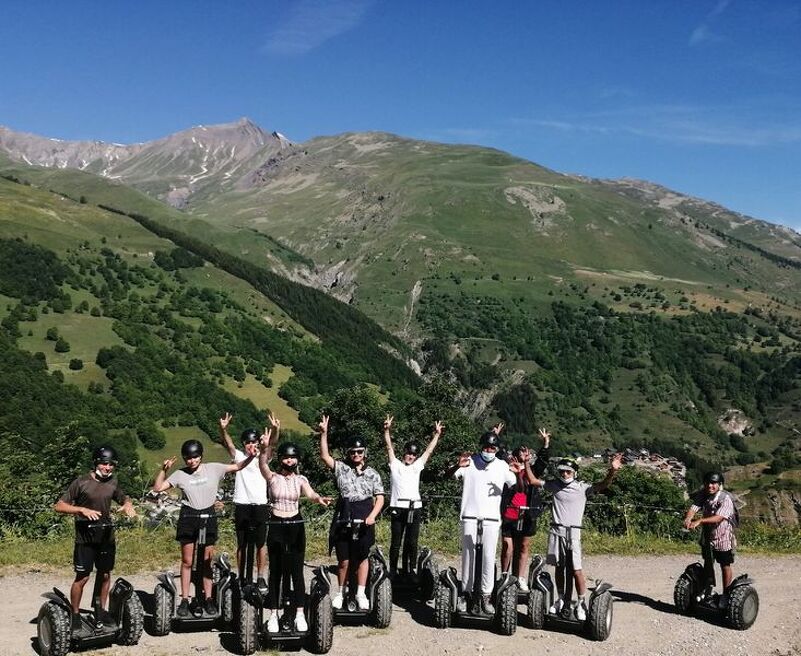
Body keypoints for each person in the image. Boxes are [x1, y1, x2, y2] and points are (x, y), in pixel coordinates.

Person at [524, 429, 623, 620]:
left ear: (575, 473)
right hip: (556, 531)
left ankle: (581, 602)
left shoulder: (582, 488)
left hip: (574, 534)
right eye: (562, 471)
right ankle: (561, 599)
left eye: (568, 471)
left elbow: (602, 485)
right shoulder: (555, 485)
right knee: (559, 567)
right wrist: (527, 462)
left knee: (576, 569)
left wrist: (612, 471)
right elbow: (533, 480)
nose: (565, 474)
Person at [152, 438, 254, 617]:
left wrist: (251, 457)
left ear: (201, 456)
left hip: (208, 515)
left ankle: (208, 599)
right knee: (187, 561)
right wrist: (164, 469)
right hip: (189, 516)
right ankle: (185, 599)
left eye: (195, 457)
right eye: (188, 458)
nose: (192, 461)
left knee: (206, 561)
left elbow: (237, 467)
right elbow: (158, 487)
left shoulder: (213, 468)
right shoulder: (180, 474)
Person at [54, 445, 136, 629]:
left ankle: (100, 610)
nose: (108, 468)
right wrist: (81, 509)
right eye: (104, 464)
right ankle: (75, 614)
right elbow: (59, 506)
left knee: (105, 575)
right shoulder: (81, 482)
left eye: (111, 465)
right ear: (96, 463)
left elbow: (123, 498)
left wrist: (128, 505)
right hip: (85, 538)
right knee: (82, 577)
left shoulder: (113, 482)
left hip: (106, 536)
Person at [259, 432, 332, 632]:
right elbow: (262, 464)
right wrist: (265, 447)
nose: (289, 460)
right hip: (276, 524)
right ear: (281, 459)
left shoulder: (300, 479)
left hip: (295, 524)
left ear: (297, 459)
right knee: (276, 572)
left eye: (292, 457)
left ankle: (300, 614)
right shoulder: (272, 477)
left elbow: (310, 493)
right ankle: (274, 614)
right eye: (285, 457)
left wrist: (319, 499)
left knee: (296, 572)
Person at [318, 414, 385, 611]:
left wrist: (373, 515)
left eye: (359, 451)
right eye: (353, 451)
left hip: (365, 512)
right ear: (348, 453)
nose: (356, 454)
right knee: (344, 559)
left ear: (365, 453)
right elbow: (324, 456)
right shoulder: (342, 468)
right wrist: (324, 434)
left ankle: (361, 593)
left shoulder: (373, 473)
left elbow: (380, 497)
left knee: (362, 557)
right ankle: (341, 591)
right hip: (344, 513)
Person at [449, 423, 517, 614]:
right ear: (481, 447)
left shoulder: (502, 466)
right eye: (486, 447)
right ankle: (466, 593)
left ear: (497, 449)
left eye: (492, 448)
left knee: (488, 557)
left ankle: (486, 596)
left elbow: (516, 487)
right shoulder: (470, 461)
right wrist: (457, 464)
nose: (489, 451)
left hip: (491, 519)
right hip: (469, 516)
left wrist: (519, 474)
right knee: (468, 556)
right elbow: (450, 475)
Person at [219, 411, 276, 590]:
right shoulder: (239, 457)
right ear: (244, 445)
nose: (251, 445)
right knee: (242, 543)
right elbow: (228, 444)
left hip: (260, 504)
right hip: (242, 503)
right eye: (248, 442)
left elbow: (272, 444)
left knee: (261, 543)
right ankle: (242, 574)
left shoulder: (263, 458)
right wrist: (223, 430)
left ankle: (260, 576)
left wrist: (275, 429)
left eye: (254, 442)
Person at [383, 415, 443, 579]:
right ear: (404, 454)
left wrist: (436, 435)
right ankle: (393, 570)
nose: (410, 456)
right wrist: (387, 430)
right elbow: (389, 448)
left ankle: (411, 569)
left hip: (414, 508)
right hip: (398, 508)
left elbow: (429, 451)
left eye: (413, 455)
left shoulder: (417, 466)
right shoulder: (395, 465)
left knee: (411, 542)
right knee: (396, 542)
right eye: (408, 453)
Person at [500, 432, 551, 592]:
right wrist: (497, 437)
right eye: (522, 452)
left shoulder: (532, 470)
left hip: (528, 513)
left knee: (523, 546)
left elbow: (543, 462)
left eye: (527, 451)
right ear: (515, 455)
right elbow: (499, 454)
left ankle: (520, 577)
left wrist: (546, 444)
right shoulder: (507, 469)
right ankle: (504, 575)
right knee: (507, 546)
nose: (526, 453)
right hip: (509, 513)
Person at [683, 471, 738, 608]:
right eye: (708, 483)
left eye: (713, 483)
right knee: (708, 562)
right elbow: (694, 507)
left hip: (723, 536)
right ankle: (708, 588)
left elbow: (719, 517)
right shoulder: (704, 494)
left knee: (725, 564)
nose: (710, 486)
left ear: (719, 485)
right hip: (708, 535)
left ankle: (726, 594)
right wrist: (688, 518)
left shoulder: (725, 498)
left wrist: (700, 521)